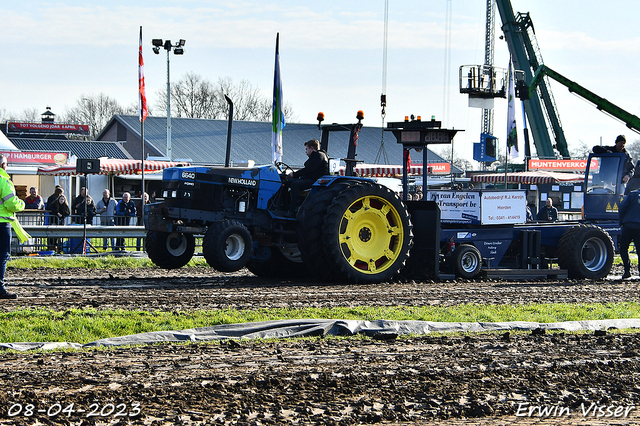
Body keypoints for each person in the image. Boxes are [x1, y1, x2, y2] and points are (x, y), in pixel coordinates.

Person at [0, 155, 27, 299]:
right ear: (3, 165)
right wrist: (22, 204)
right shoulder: (3, 180)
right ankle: (0, 288)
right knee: (2, 256)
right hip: (1, 223)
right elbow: (11, 203)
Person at [284, 139, 329, 216]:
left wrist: (294, 174)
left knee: (295, 184)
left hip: (315, 180)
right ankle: (284, 206)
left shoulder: (319, 155)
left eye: (306, 149)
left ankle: (292, 210)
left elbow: (309, 169)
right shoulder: (313, 157)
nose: (305, 152)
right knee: (285, 183)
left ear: (312, 148)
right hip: (308, 179)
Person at [619, 188, 640, 279]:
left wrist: (622, 221)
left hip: (628, 225)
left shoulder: (632, 194)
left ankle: (627, 270)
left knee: (623, 248)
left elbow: (622, 207)